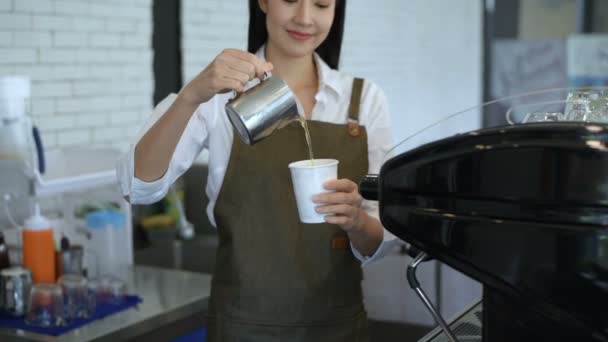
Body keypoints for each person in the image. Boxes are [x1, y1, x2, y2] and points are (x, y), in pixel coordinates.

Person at [117, 0, 399, 340]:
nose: (305, 18)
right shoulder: (220, 98)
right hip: (242, 327)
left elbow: (384, 237)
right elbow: (137, 186)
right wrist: (191, 96)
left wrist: (357, 222)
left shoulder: (363, 100)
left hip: (338, 329)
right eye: (291, 0)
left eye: (322, 4)